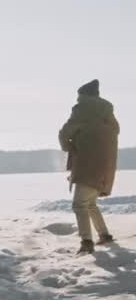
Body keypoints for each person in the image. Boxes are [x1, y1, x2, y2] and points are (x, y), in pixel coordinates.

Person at [59, 80, 120, 254]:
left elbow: (65, 133)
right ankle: (104, 235)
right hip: (107, 166)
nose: (78, 99)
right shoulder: (108, 112)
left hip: (87, 164)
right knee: (90, 204)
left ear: (83, 96)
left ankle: (86, 241)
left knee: (79, 205)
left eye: (79, 96)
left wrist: (69, 146)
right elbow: (115, 131)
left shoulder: (81, 109)